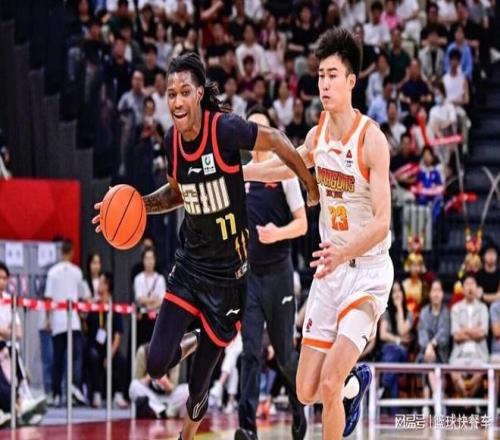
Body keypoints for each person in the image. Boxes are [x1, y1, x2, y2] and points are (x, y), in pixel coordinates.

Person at [92, 52, 318, 440]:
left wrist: (309, 184)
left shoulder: (224, 130)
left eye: (184, 92)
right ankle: (198, 338)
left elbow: (278, 140)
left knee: (198, 389)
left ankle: (187, 435)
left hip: (229, 278)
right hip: (190, 266)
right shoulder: (172, 142)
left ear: (199, 94)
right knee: (156, 364)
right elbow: (178, 192)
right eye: (171, 94)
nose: (177, 101)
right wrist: (138, 206)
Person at [243, 28, 394, 439]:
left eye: (332, 75)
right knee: (306, 390)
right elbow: (284, 166)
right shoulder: (317, 134)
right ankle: (354, 385)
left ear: (351, 81)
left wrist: (343, 252)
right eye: (320, 75)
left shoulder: (371, 140)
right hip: (332, 271)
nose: (324, 83)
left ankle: (342, 386)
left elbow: (382, 221)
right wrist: (239, 172)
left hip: (367, 272)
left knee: (328, 383)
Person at [235, 108, 308, 440]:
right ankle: (247, 428)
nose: (255, 134)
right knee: (249, 352)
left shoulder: (283, 172)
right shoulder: (241, 175)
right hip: (250, 276)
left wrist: (277, 233)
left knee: (285, 355)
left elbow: (302, 224)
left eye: (260, 128)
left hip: (279, 274)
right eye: (250, 128)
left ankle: (298, 406)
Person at [44, 240, 88, 407]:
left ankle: (56, 393)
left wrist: (47, 319)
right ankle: (73, 389)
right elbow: (82, 296)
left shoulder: (52, 272)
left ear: (61, 251)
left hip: (58, 322)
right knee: (75, 359)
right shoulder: (77, 272)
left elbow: (48, 298)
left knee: (58, 359)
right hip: (74, 322)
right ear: (72, 252)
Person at [86, 272, 128, 409]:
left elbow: (118, 336)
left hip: (110, 348)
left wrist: (109, 355)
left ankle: (119, 395)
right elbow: (86, 327)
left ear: (107, 286)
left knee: (121, 360)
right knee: (92, 356)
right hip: (95, 347)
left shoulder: (114, 308)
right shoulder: (94, 306)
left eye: (101, 282)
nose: (98, 285)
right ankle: (96, 393)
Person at [449, 274, 489, 398]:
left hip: (479, 354)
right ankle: (467, 398)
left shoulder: (483, 308)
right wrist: (474, 330)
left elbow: (483, 333)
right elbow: (456, 336)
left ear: (477, 288)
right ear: (462, 288)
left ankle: (467, 399)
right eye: (467, 284)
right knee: (454, 373)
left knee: (480, 372)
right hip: (459, 354)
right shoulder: (456, 308)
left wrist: (464, 329)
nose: (470, 287)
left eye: (472, 284)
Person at [129, 343, 189, 419]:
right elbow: (138, 380)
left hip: (168, 398)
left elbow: (173, 387)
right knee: (134, 385)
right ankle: (163, 411)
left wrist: (165, 382)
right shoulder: (143, 351)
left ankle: (162, 410)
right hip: (150, 397)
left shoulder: (174, 355)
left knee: (187, 390)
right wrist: (149, 377)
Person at [379, 281, 414, 401]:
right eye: (394, 291)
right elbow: (382, 335)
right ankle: (393, 408)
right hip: (388, 352)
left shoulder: (409, 314)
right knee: (393, 371)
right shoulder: (386, 312)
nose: (397, 294)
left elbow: (402, 330)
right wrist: (398, 340)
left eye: (399, 290)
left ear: (403, 293)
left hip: (402, 354)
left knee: (396, 351)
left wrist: (399, 309)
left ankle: (383, 385)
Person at [134, 248, 166, 347]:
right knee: (142, 348)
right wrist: (153, 300)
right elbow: (140, 299)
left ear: (155, 260)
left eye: (151, 258)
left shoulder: (160, 279)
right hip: (142, 319)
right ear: (143, 260)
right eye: (147, 258)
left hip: (156, 320)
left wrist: (149, 304)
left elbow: (162, 300)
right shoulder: (138, 278)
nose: (149, 261)